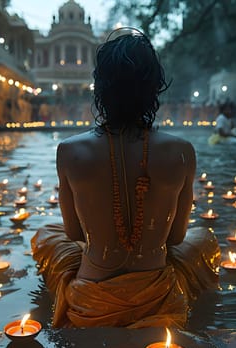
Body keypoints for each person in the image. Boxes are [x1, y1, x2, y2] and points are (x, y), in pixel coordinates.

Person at [31, 29, 220, 329]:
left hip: (90, 301)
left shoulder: (69, 151)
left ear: (100, 88)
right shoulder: (182, 152)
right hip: (159, 296)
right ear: (154, 89)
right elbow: (176, 239)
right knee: (204, 239)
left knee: (46, 235)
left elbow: (73, 232)